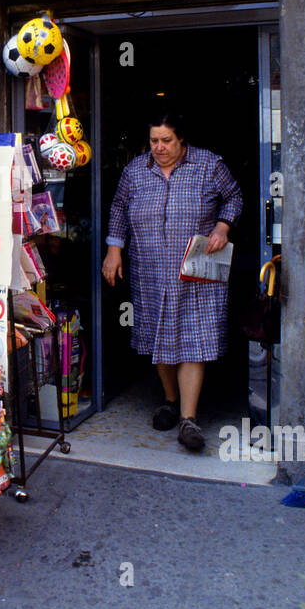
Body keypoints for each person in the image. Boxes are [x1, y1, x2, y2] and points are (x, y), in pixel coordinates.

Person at [102, 113, 242, 452]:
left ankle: (188, 419)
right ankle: (169, 399)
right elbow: (119, 208)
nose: (159, 148)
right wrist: (113, 249)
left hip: (196, 268)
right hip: (150, 267)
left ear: (182, 142)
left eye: (166, 141)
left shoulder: (208, 165)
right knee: (158, 332)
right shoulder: (136, 170)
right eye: (154, 141)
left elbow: (234, 196)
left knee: (193, 336)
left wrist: (223, 226)